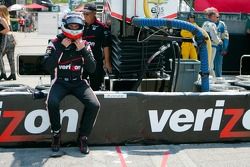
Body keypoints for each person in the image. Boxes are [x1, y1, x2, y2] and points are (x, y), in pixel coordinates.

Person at [43, 12, 100, 154]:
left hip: (78, 82)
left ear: (81, 27)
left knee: (94, 105)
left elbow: (92, 69)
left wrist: (83, 51)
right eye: (71, 25)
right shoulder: (55, 42)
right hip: (60, 82)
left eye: (77, 25)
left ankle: (83, 137)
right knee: (52, 102)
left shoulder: (84, 44)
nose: (74, 28)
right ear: (65, 26)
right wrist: (61, 48)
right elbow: (47, 66)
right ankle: (56, 134)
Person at [79, 3, 112, 91]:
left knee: (95, 88)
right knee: (79, 87)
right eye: (84, 14)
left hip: (96, 62)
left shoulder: (101, 27)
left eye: (87, 14)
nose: (85, 16)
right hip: (81, 62)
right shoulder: (80, 26)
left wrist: (107, 62)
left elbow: (106, 46)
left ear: (94, 13)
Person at [202, 8, 222, 77]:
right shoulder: (212, 25)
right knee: (210, 64)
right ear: (212, 17)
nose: (217, 18)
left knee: (206, 62)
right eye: (216, 17)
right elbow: (214, 36)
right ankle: (210, 80)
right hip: (211, 46)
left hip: (204, 46)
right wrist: (219, 41)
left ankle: (208, 78)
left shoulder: (204, 24)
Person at [0, 5, 16, 80]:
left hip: (5, 39)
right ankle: (13, 74)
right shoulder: (7, 18)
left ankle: (3, 73)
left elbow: (7, 29)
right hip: (10, 39)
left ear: (2, 11)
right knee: (11, 58)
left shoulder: (2, 19)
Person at [214, 11, 229, 77]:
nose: (217, 18)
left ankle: (218, 79)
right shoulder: (208, 24)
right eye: (215, 16)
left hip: (218, 48)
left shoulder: (222, 24)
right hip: (209, 47)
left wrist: (224, 48)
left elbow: (226, 37)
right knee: (209, 65)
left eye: (218, 17)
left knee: (218, 65)